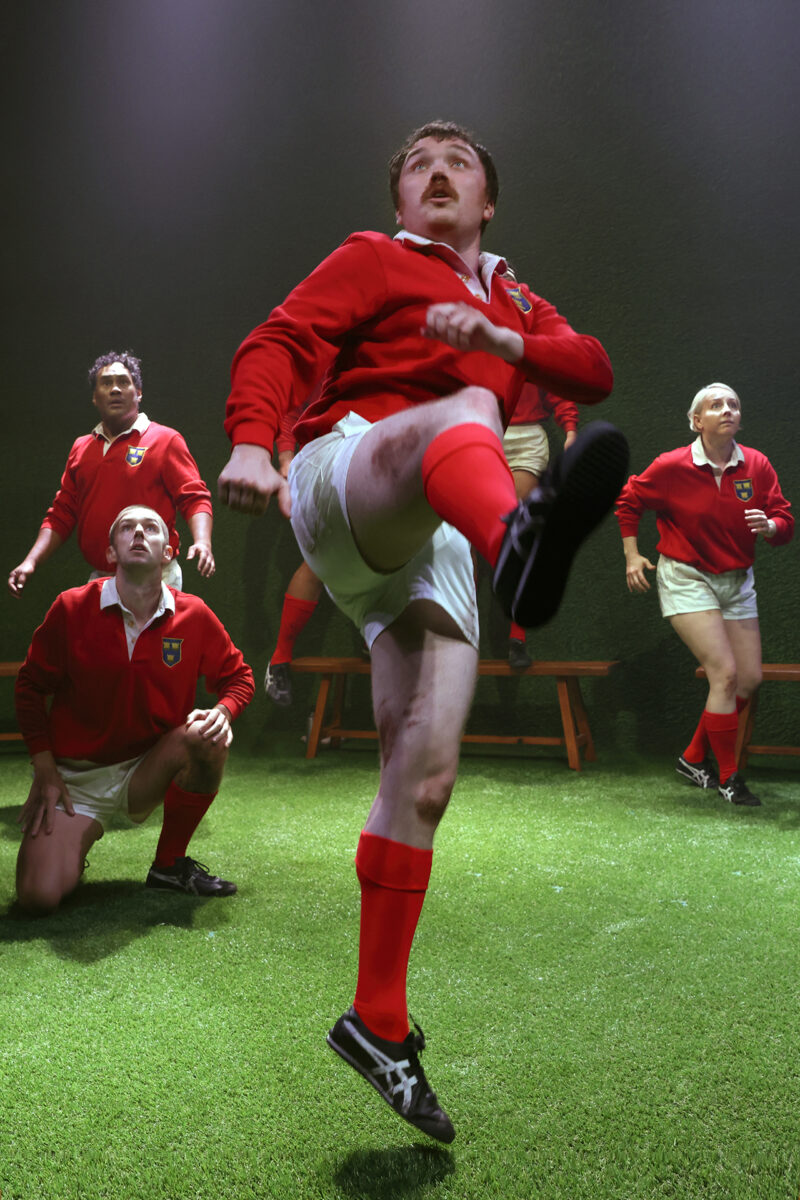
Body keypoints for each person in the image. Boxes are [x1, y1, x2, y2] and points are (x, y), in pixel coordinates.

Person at [218, 120, 626, 1142]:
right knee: (460, 418)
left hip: (439, 520)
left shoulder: (509, 294)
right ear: (399, 201)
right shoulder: (374, 258)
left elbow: (591, 369)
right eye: (416, 165)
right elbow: (278, 341)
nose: (436, 172)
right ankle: (516, 547)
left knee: (426, 771)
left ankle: (377, 1021)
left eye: (459, 164)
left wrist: (505, 340)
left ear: (487, 202)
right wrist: (252, 444)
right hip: (350, 469)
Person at [14, 505, 255, 916]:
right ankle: (71, 849)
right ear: (110, 553)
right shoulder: (71, 608)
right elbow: (29, 686)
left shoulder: (193, 614)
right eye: (126, 528)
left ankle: (168, 865)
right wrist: (45, 767)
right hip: (76, 780)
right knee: (38, 899)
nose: (138, 533)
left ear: (168, 553)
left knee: (205, 736)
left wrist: (225, 712)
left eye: (151, 528)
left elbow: (240, 677)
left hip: (148, 765)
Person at [616, 382, 793, 807]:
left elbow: (783, 518)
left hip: (736, 580)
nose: (727, 410)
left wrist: (770, 527)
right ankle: (729, 779)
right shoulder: (672, 465)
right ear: (697, 421)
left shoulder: (757, 465)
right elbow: (629, 501)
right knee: (725, 674)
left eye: (733, 404)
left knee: (747, 680)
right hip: (686, 576)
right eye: (716, 405)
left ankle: (693, 756)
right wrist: (632, 556)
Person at [8, 351, 215, 595]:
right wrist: (31, 561)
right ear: (95, 398)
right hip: (101, 578)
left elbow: (194, 497)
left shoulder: (165, 440)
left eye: (123, 382)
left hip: (155, 577)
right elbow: (61, 512)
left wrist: (203, 542)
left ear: (138, 393)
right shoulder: (81, 448)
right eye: (106, 383)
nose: (115, 389)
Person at [502, 382, 578, 669]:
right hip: (480, 430)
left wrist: (570, 429)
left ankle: (517, 637)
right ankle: (461, 637)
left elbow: (556, 386)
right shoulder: (470, 341)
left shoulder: (532, 341)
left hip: (526, 437)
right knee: (466, 542)